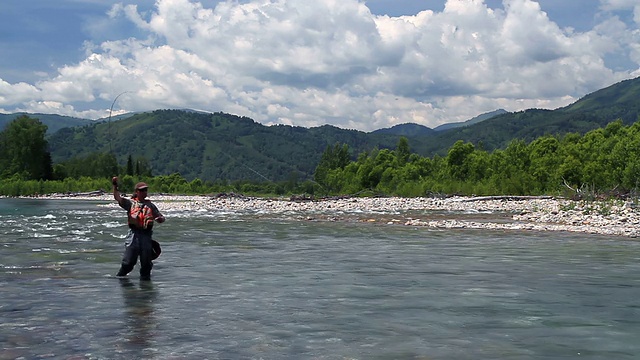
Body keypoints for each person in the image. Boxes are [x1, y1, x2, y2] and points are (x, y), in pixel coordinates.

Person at [112, 177, 165, 280]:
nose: (144, 192)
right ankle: (120, 279)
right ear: (137, 192)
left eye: (145, 190)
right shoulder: (130, 204)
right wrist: (115, 186)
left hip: (146, 235)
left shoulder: (151, 205)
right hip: (134, 235)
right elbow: (117, 197)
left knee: (146, 264)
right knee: (128, 262)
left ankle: (145, 287)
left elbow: (161, 217)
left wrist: (160, 219)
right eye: (142, 190)